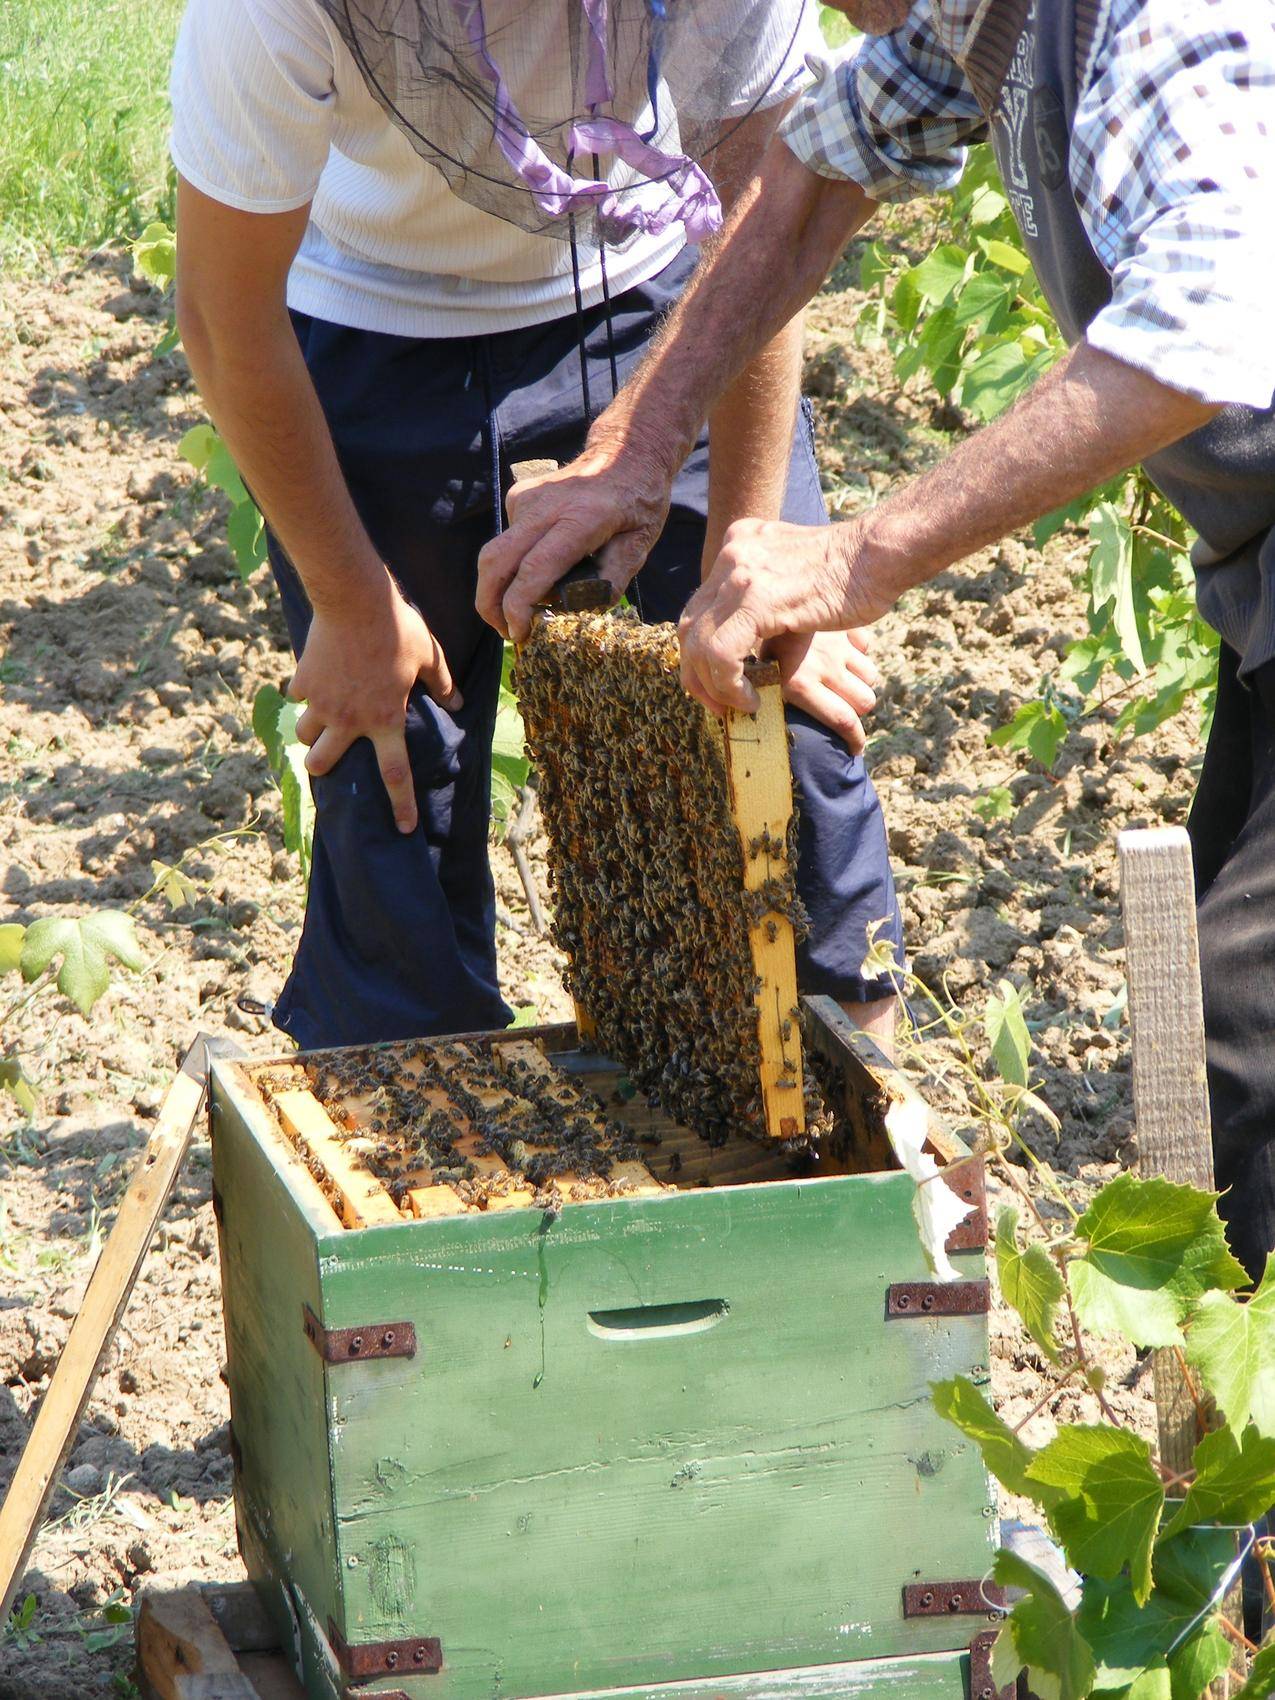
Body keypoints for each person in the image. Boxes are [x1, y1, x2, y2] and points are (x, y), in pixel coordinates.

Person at [479, 0, 1275, 1278]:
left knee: (1254, 1032)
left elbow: (1203, 330)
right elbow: (806, 173)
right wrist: (638, 448)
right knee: (1237, 1022)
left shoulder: (1149, 22)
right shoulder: (981, 22)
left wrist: (856, 552)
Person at [169, 0, 904, 1055]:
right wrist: (351, 604)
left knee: (790, 722)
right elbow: (222, 314)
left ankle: (892, 1179)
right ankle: (421, 1183)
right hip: (377, 331)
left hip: (677, 307)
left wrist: (754, 552)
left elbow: (770, 215)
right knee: (392, 769)